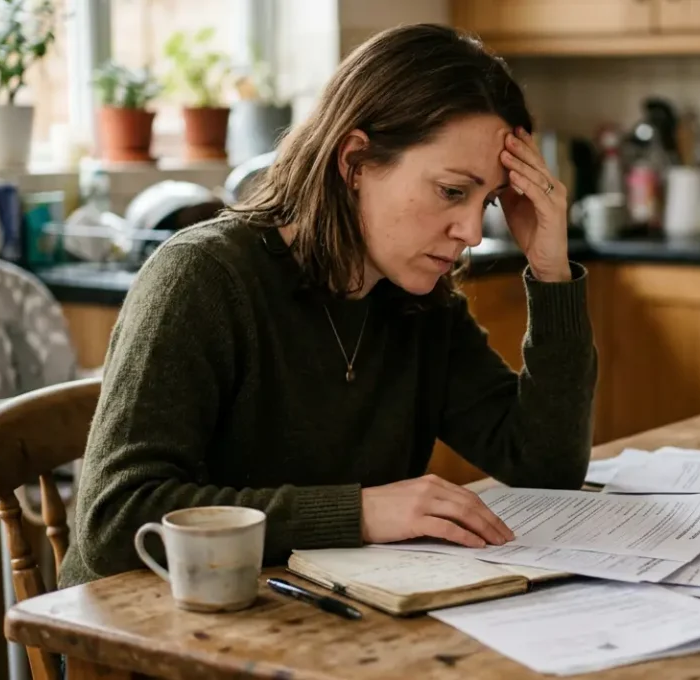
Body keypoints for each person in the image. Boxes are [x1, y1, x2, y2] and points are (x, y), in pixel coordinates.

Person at [59, 23, 597, 589]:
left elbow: (545, 466)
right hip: (140, 625)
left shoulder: (420, 304)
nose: (471, 231)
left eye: (486, 201)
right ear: (355, 162)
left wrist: (551, 271)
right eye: (451, 191)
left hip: (304, 614)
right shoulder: (202, 277)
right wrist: (358, 513)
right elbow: (115, 522)